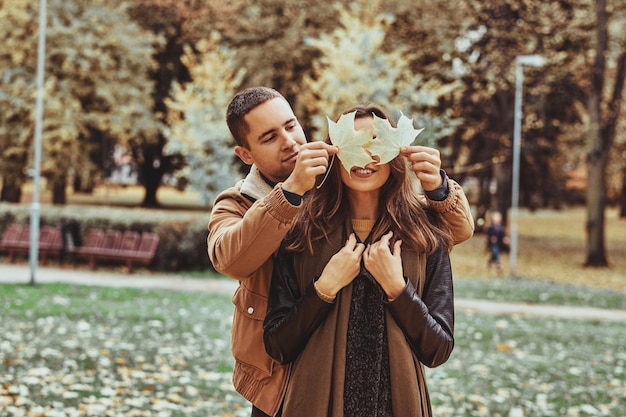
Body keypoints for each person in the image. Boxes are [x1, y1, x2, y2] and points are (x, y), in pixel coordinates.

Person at [207, 87, 473, 417]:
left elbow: (450, 232)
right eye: (269, 137)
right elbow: (229, 259)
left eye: (291, 126)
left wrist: (438, 189)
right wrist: (291, 193)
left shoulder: (352, 193)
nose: (289, 142)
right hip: (280, 385)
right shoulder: (243, 204)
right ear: (245, 153)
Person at [263, 105, 455, 416]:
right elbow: (278, 346)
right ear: (334, 152)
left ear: (395, 153)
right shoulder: (301, 232)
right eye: (354, 141)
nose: (365, 155)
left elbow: (438, 350)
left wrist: (398, 289)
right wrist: (324, 288)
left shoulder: (425, 234)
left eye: (376, 142)